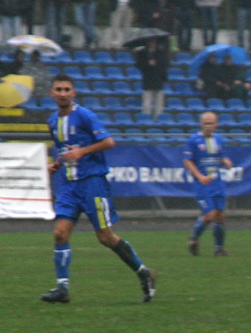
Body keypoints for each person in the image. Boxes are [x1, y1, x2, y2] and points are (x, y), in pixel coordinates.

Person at [41, 73, 156, 304]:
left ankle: (143, 272)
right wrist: (56, 163)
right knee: (59, 233)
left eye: (67, 90)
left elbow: (109, 142)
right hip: (69, 185)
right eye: (58, 90)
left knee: (105, 237)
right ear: (52, 93)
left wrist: (82, 152)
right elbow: (62, 147)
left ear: (74, 93)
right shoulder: (53, 121)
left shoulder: (85, 116)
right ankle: (62, 288)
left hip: (92, 182)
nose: (63, 94)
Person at [183, 112, 233, 256]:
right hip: (203, 184)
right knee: (210, 215)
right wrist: (199, 176)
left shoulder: (218, 139)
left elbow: (222, 156)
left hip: (217, 182)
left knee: (220, 215)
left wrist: (226, 162)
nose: (209, 126)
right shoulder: (194, 140)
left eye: (211, 123)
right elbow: (187, 160)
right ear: (201, 124)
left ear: (216, 124)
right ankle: (193, 238)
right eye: (206, 123)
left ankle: (219, 249)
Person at [135, 38, 169, 118]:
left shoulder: (160, 53)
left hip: (158, 79)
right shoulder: (143, 53)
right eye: (151, 42)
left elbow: (164, 65)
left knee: (159, 101)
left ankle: (158, 116)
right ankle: (146, 117)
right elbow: (139, 65)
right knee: (147, 101)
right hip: (148, 79)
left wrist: (164, 77)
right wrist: (148, 63)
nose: (153, 44)